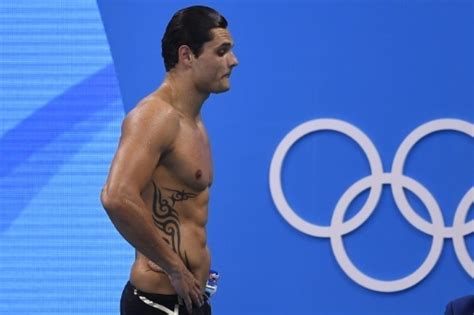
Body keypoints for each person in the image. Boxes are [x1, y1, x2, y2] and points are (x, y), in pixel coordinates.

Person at [100, 5, 238, 315]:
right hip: (156, 304)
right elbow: (115, 196)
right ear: (187, 55)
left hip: (191, 301)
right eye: (222, 51)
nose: (233, 61)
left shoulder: (194, 120)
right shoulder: (155, 117)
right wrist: (174, 267)